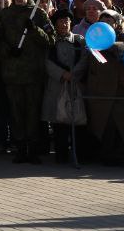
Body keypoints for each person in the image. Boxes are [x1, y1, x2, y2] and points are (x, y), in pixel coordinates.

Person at [0, 0, 53, 164]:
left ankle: (34, 149)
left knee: (33, 112)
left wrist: (35, 29)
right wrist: (7, 50)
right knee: (16, 112)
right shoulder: (4, 14)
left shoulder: (38, 13)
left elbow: (50, 41)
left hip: (34, 73)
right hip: (12, 73)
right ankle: (20, 148)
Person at [78, 11, 124, 166]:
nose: (105, 21)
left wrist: (112, 45)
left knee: (119, 125)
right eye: (103, 18)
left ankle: (119, 155)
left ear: (117, 23)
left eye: (109, 19)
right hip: (100, 89)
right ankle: (105, 154)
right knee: (103, 124)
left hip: (120, 91)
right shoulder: (94, 39)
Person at [42, 11, 86, 164]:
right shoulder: (50, 41)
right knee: (59, 121)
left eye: (67, 20)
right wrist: (62, 74)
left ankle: (79, 154)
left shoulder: (79, 40)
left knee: (78, 121)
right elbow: (46, 61)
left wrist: (74, 74)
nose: (64, 24)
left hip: (76, 85)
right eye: (61, 21)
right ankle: (60, 155)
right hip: (57, 84)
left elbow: (84, 59)